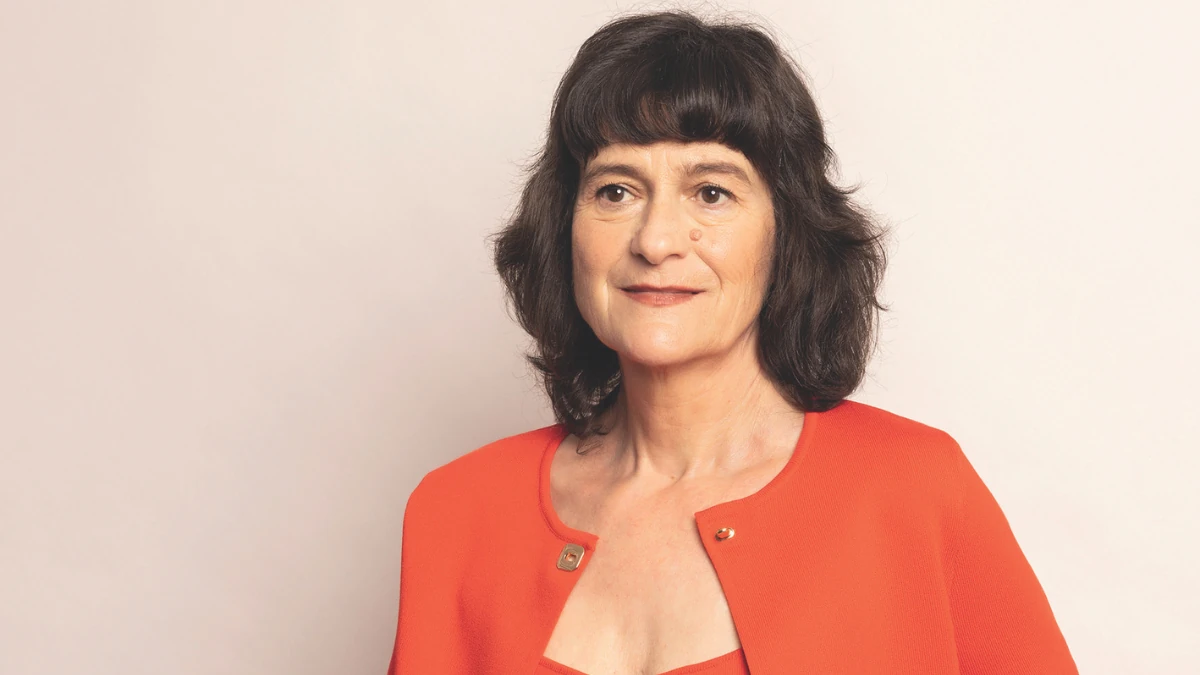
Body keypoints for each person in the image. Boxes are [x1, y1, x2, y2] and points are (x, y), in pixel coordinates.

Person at [387, 9, 1077, 675]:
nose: (656, 240)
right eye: (616, 191)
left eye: (711, 193)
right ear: (564, 226)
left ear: (786, 234)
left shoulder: (912, 489)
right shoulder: (455, 510)